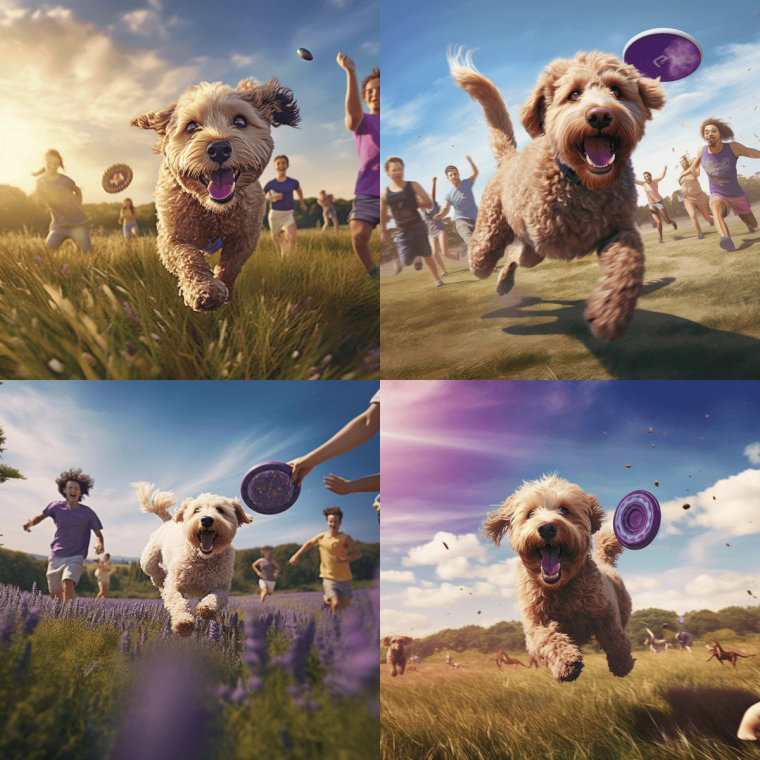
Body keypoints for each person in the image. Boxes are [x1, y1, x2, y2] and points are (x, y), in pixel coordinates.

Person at [22, 468, 104, 602]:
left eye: (76, 488)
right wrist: (30, 523)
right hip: (56, 555)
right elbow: (41, 516)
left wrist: (100, 543)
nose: (73, 490)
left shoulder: (88, 512)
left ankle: (70, 616)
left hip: (76, 556)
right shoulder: (55, 506)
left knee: (68, 581)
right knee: (54, 593)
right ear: (64, 490)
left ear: (80, 491)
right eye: (70, 487)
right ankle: (60, 617)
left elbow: (98, 532)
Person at [338, 53, 380, 279]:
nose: (375, 94)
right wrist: (351, 72)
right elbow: (352, 114)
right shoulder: (362, 120)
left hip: (394, 189)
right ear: (364, 97)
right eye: (370, 91)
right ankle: (373, 272)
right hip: (368, 189)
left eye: (381, 89)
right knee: (358, 235)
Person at [691, 117, 760, 252]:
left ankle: (739, 212)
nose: (709, 134)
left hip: (736, 195)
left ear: (720, 134)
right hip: (718, 194)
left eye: (713, 131)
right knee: (716, 211)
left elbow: (751, 152)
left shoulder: (732, 147)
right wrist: (689, 170)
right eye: (706, 132)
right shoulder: (702, 151)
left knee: (754, 224)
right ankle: (726, 240)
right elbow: (694, 168)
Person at [380, 157, 443, 286]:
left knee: (427, 254)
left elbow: (428, 203)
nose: (398, 172)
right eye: (394, 170)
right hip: (402, 231)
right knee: (407, 261)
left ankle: (437, 279)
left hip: (418, 226)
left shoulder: (413, 185)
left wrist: (415, 203)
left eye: (400, 169)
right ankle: (403, 257)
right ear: (388, 172)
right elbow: (382, 213)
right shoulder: (384, 193)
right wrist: (383, 231)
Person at [288, 506, 362, 612]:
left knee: (344, 608)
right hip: (328, 577)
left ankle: (327, 600)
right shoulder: (322, 537)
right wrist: (296, 555)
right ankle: (333, 623)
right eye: (331, 521)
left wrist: (343, 560)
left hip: (344, 578)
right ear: (327, 522)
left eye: (336, 521)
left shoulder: (345, 538)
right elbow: (308, 544)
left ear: (340, 522)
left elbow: (358, 554)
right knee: (335, 604)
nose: (333, 524)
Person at [32, 149, 91, 252]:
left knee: (87, 253)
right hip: (59, 225)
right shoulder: (40, 182)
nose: (53, 166)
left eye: (56, 163)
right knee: (48, 254)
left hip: (78, 223)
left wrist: (78, 205)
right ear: (44, 162)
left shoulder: (65, 180)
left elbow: (78, 191)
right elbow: (42, 204)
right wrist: (43, 205)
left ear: (59, 164)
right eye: (50, 162)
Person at [433, 157, 479, 257]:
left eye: (455, 174)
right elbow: (445, 208)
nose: (454, 176)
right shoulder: (449, 194)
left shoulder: (467, 183)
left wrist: (470, 160)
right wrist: (440, 215)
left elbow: (475, 172)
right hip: (461, 222)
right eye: (451, 175)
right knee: (472, 243)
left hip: (477, 219)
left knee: (483, 242)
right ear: (448, 178)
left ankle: (473, 256)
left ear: (458, 174)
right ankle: (482, 265)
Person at [263, 155, 307, 253]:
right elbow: (262, 196)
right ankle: (285, 251)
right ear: (274, 166)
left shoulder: (293, 182)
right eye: (278, 163)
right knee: (276, 238)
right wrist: (273, 197)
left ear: (287, 165)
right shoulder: (271, 184)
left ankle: (289, 256)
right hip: (275, 214)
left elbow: (299, 191)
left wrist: (302, 202)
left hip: (288, 213)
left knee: (292, 240)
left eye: (283, 163)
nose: (281, 165)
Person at [633, 168, 677, 243]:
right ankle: (661, 238)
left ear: (650, 176)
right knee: (658, 222)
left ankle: (672, 222)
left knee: (667, 221)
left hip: (659, 203)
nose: (646, 178)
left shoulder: (655, 181)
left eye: (647, 176)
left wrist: (665, 169)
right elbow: (634, 180)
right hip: (651, 205)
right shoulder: (643, 184)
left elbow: (662, 175)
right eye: (645, 177)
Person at [676, 155, 713, 238]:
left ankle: (713, 219)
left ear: (686, 160)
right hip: (687, 199)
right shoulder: (680, 174)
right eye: (680, 162)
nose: (681, 163)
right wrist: (681, 193)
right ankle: (699, 233)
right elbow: (682, 187)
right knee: (692, 215)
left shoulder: (693, 168)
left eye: (682, 161)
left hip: (699, 196)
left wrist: (696, 162)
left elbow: (697, 173)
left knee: (707, 218)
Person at [424, 176, 456, 269]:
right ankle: (444, 270)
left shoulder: (432, 206)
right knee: (434, 253)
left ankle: (457, 258)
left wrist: (434, 182)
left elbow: (433, 196)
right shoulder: (423, 210)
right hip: (431, 234)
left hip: (440, 231)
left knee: (445, 253)